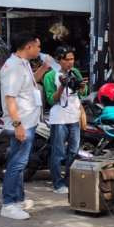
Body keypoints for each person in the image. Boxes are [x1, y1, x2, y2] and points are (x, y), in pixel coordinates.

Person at [0, 32, 50, 220]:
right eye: (37, 46)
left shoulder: (23, 64)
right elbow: (10, 98)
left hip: (28, 121)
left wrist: (44, 68)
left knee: (19, 162)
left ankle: (18, 199)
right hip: (21, 123)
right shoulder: (13, 67)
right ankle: (9, 204)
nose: (39, 49)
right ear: (28, 46)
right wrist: (18, 125)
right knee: (17, 164)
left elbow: (30, 84)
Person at [42, 45, 87, 195]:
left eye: (72, 59)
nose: (70, 62)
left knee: (73, 152)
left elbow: (82, 92)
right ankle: (58, 183)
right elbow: (50, 100)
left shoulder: (75, 72)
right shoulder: (50, 76)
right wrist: (62, 86)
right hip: (59, 119)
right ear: (59, 60)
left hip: (74, 117)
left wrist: (80, 86)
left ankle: (69, 181)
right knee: (58, 152)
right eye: (67, 59)